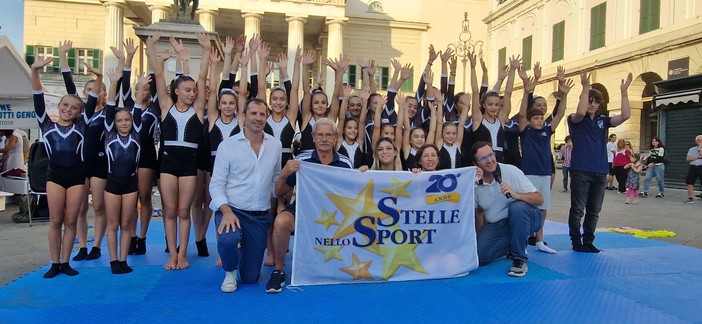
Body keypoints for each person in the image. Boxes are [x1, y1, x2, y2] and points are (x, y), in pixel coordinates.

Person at [146, 31, 210, 270]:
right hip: (168, 164)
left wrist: (205, 50)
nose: (192, 93)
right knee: (170, 210)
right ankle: (171, 254)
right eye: (187, 90)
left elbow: (203, 77)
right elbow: (159, 75)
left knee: (184, 210)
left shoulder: (198, 110)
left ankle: (183, 254)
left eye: (194, 90)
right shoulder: (166, 107)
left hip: (189, 165)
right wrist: (152, 49)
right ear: (176, 91)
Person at [267, 118, 353, 293]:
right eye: (320, 135)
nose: (324, 139)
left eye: (328, 135)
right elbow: (279, 192)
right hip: (304, 208)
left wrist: (363, 175)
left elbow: (356, 192)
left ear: (335, 137)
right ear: (313, 137)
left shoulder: (345, 163)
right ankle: (278, 271)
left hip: (335, 213)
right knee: (282, 222)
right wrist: (283, 174)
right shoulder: (302, 160)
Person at [31, 56, 96, 278]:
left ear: (79, 112)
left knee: (70, 220)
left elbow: (94, 99)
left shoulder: (81, 126)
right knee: (55, 220)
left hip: (77, 178)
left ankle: (66, 261)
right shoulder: (46, 124)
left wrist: (97, 77)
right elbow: (38, 96)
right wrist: (35, 71)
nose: (69, 109)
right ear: (58, 106)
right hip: (55, 177)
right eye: (65, 105)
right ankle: (54, 262)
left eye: (74, 107)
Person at [209, 98, 282, 293]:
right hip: (232, 211)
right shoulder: (227, 146)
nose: (258, 118)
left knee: (250, 278)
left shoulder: (275, 146)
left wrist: (287, 185)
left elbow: (275, 182)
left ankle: (241, 254)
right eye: (253, 113)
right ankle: (230, 271)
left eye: (262, 114)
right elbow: (216, 185)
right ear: (243, 116)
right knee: (228, 239)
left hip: (259, 217)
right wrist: (225, 211)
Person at [567, 71, 632, 253]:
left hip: (600, 170)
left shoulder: (604, 120)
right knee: (578, 209)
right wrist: (585, 87)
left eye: (596, 101)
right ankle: (576, 241)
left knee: (594, 210)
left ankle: (588, 240)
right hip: (581, 170)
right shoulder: (575, 119)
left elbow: (625, 115)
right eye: (589, 100)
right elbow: (580, 111)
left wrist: (624, 92)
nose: (592, 104)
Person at [517, 67, 572, 254]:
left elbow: (560, 114)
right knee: (526, 207)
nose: (540, 120)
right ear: (530, 120)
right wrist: (527, 90)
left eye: (541, 118)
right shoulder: (525, 132)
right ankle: (523, 241)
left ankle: (539, 240)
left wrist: (562, 94)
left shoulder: (547, 131)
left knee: (543, 207)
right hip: (529, 174)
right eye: (536, 118)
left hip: (544, 173)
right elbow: (522, 114)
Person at [472, 142, 543, 277]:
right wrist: (480, 239)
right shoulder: (475, 182)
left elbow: (539, 199)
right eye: (483, 158)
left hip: (527, 218)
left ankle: (519, 259)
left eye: (490, 155)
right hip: (499, 225)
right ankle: (511, 245)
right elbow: (478, 212)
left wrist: (517, 195)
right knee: (479, 257)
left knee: (517, 207)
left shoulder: (511, 171)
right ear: (476, 164)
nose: (489, 160)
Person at [103, 68, 142, 274]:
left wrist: (142, 87)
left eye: (127, 120)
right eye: (119, 121)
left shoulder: (136, 135)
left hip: (130, 184)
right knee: (113, 223)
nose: (124, 123)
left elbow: (136, 107)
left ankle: (124, 259)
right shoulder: (109, 135)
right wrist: (113, 83)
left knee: (126, 223)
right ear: (114, 123)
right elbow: (110, 107)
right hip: (112, 184)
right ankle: (113, 260)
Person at [684, 135, 702, 204]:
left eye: (701, 139)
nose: (700, 141)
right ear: (696, 141)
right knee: (689, 182)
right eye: (699, 139)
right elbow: (688, 159)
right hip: (693, 167)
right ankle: (690, 197)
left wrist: (700, 148)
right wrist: (698, 157)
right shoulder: (692, 149)